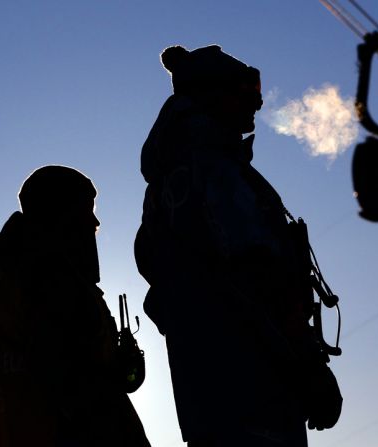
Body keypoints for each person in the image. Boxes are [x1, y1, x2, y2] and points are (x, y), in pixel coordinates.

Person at [134, 45, 342, 447]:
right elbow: (257, 274)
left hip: (206, 393)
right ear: (212, 97)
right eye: (243, 94)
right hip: (254, 385)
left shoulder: (167, 184)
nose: (254, 107)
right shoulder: (215, 170)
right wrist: (307, 365)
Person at [0, 165, 151, 447]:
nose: (94, 221)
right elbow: (77, 388)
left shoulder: (44, 279)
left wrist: (120, 366)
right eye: (86, 212)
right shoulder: (47, 281)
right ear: (60, 215)